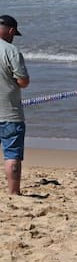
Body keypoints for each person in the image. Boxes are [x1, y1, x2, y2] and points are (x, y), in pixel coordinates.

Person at [0, 15, 30, 196]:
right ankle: (13, 192)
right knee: (12, 155)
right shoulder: (10, 50)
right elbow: (23, 81)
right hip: (9, 112)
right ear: (11, 30)